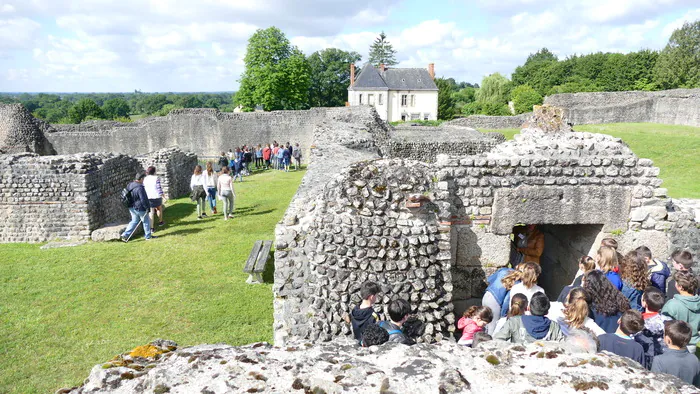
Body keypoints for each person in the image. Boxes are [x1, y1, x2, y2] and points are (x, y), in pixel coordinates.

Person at [494, 292, 564, 344]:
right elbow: (562, 347)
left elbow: (497, 341)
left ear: (528, 308)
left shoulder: (514, 322)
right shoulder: (554, 327)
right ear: (547, 312)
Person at [651, 320, 700, 387]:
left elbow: (655, 385)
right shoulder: (694, 359)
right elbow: (697, 385)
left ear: (668, 340)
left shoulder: (659, 360)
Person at [662, 271, 700, 347]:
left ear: (680, 287)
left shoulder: (672, 304)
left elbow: (664, 325)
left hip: (676, 344)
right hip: (694, 343)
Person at [120, 172, 155, 242]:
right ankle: (148, 236)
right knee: (146, 221)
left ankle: (125, 234)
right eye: (143, 179)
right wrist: (147, 208)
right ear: (141, 179)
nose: (143, 180)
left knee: (134, 221)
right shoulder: (140, 188)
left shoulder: (130, 185)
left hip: (131, 207)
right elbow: (143, 199)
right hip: (140, 208)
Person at [481, 267, 515, 334]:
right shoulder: (517, 281)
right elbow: (506, 300)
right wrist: (503, 315)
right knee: (492, 328)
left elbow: (489, 279)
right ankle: (488, 343)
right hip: (495, 302)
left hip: (487, 295)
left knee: (484, 323)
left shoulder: (504, 270)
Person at [641, 287, 672, 358]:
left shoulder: (639, 321)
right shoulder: (668, 320)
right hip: (664, 356)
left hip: (645, 356)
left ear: (645, 303)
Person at [143, 166, 166, 233]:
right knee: (159, 209)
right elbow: (159, 188)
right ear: (154, 171)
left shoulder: (145, 179)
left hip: (148, 197)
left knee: (151, 212)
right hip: (156, 196)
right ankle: (160, 222)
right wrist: (163, 196)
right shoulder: (156, 178)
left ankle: (152, 228)